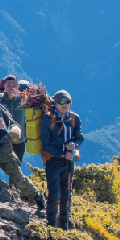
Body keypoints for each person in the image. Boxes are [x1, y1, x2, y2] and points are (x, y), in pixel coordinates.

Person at [41, 90, 84, 230]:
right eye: (61, 102)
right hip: (53, 161)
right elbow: (45, 144)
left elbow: (79, 137)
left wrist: (74, 145)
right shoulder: (48, 119)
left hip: (69, 161)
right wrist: (62, 154)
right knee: (54, 193)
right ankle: (51, 225)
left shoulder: (74, 118)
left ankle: (63, 226)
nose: (65, 105)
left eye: (68, 102)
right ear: (56, 103)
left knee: (66, 194)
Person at [0, 75, 28, 168]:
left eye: (14, 85)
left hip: (19, 141)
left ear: (18, 87)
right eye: (9, 85)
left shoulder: (24, 100)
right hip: (1, 140)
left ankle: (13, 183)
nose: (11, 88)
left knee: (16, 167)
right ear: (4, 86)